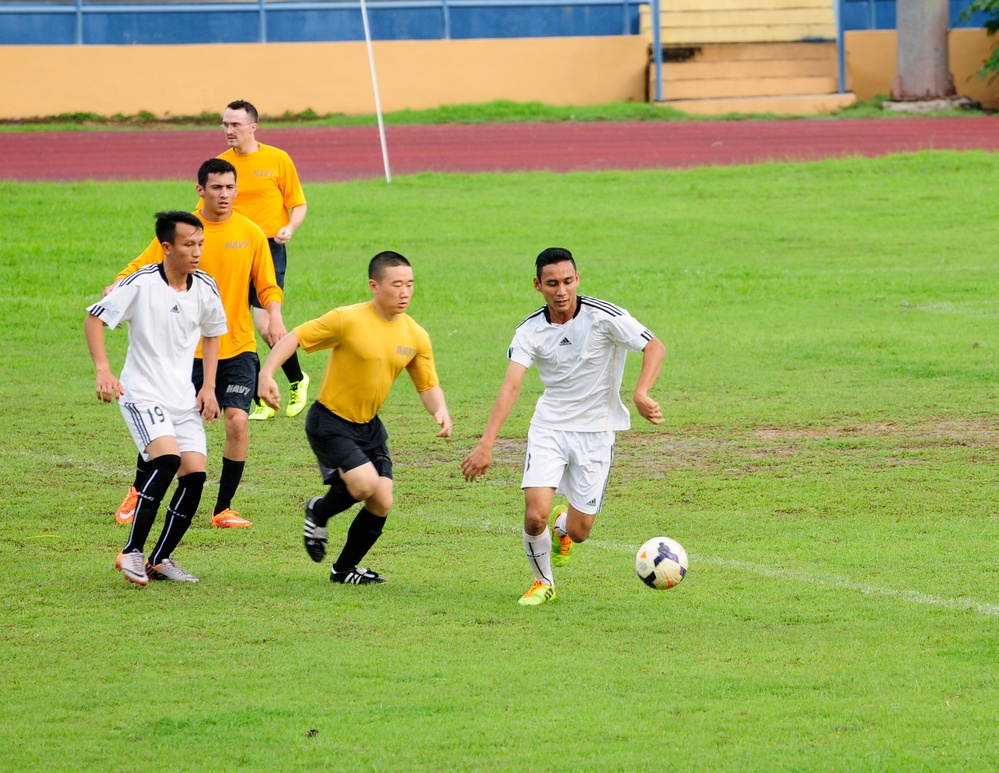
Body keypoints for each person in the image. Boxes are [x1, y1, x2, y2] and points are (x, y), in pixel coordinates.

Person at [461, 247, 666, 606]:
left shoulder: (604, 316)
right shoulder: (529, 331)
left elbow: (654, 346)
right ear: (538, 285)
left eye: (568, 281)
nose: (561, 291)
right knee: (534, 514)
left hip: (596, 433)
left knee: (579, 531)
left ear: (577, 280)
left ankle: (562, 528)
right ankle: (543, 583)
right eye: (552, 283)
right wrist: (486, 443)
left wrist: (641, 391)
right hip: (549, 428)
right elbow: (511, 387)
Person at [109, 158, 285, 529]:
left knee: (237, 421)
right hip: (184, 351)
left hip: (236, 346)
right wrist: (116, 287)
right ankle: (138, 490)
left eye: (230, 187)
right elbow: (136, 269)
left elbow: (267, 285)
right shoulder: (183, 231)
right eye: (217, 187)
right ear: (200, 190)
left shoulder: (251, 233)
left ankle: (223, 508)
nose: (225, 194)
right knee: (167, 426)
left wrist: (276, 316)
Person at [258, 251, 452, 584]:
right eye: (396, 285)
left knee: (382, 500)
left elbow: (427, 383)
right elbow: (294, 338)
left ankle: (343, 570)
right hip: (329, 420)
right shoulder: (347, 319)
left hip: (369, 426)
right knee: (364, 484)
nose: (404, 292)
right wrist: (267, 374)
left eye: (410, 284)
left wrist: (440, 410)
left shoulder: (415, 335)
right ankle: (319, 511)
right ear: (374, 286)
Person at [86, 211, 228, 585]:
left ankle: (160, 559)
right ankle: (131, 551)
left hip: (182, 398)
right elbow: (94, 320)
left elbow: (213, 333)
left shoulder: (205, 287)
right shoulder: (141, 283)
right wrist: (104, 370)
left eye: (200, 244)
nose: (196, 252)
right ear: (167, 247)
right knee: (167, 460)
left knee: (194, 476)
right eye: (188, 245)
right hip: (142, 393)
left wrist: (209, 386)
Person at [217, 99, 310, 422]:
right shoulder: (220, 164)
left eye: (235, 125)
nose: (229, 130)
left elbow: (298, 204)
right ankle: (256, 390)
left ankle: (295, 380)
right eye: (225, 124)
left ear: (252, 127)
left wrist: (289, 227)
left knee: (267, 324)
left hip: (269, 248)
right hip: (232, 250)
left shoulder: (277, 159)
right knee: (235, 323)